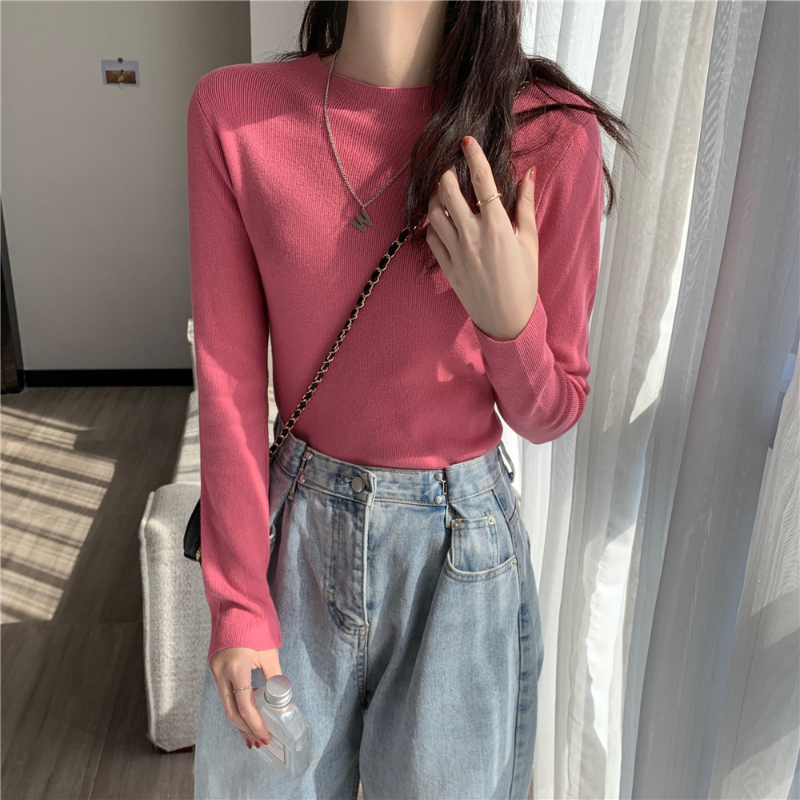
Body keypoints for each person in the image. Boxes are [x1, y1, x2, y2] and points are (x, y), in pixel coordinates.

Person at [187, 2, 634, 798]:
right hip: (293, 547)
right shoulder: (236, 113)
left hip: (461, 557)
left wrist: (509, 325)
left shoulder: (548, 134)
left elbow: (553, 409)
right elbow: (227, 382)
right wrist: (238, 602)